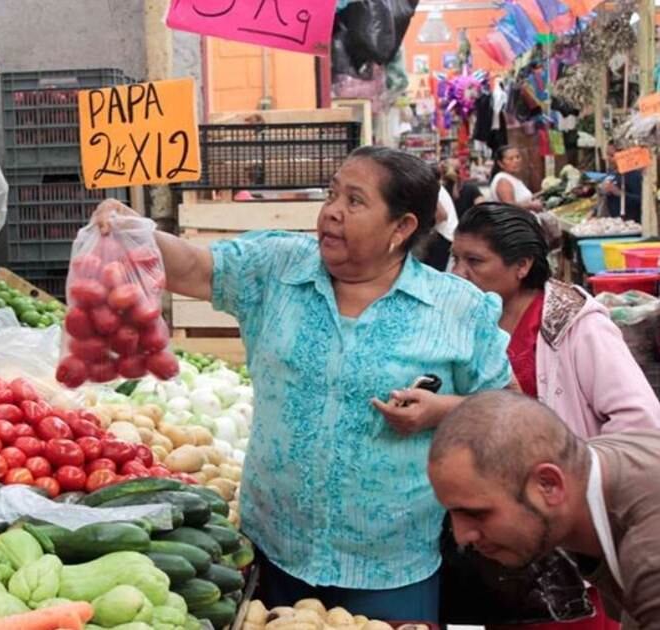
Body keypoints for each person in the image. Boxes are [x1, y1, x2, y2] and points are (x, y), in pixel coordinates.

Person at [91, 146, 514, 621]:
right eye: (332, 194)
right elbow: (191, 266)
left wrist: (441, 411)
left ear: (402, 228)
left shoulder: (458, 309)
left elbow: (508, 413)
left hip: (391, 566)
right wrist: (131, 229)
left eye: (355, 201)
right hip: (274, 551)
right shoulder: (277, 268)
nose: (332, 211)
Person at [428, 390, 660, 630]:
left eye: (477, 514)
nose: (461, 535)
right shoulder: (587, 465)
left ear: (549, 484)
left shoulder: (649, 548)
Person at [452, 203, 660, 437]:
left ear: (522, 265)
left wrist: (580, 465)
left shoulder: (578, 325)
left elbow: (640, 420)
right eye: (455, 259)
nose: (457, 272)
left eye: (474, 261)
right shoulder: (464, 320)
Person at [489, 146, 542, 212]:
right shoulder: (503, 181)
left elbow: (523, 200)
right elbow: (509, 205)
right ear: (500, 164)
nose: (516, 161)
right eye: (510, 159)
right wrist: (531, 205)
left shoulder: (511, 178)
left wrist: (543, 193)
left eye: (518, 157)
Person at [601, 143, 643, 223]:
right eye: (607, 155)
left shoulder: (633, 175)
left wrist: (619, 193)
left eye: (611, 156)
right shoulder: (612, 172)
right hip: (615, 223)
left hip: (631, 224)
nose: (608, 159)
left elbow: (641, 200)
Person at [419, 187, 458, 271]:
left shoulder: (427, 185)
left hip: (443, 234)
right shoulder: (433, 185)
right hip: (446, 234)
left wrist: (422, 228)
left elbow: (442, 215)